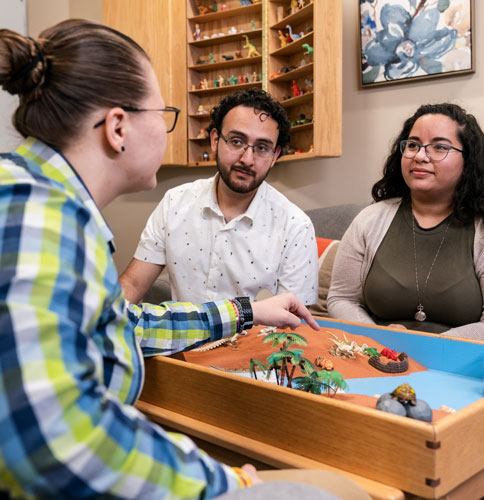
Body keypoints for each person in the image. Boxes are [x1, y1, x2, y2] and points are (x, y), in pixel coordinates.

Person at [0, 20, 324, 499]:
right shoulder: (40, 216)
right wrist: (222, 482)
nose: (168, 130)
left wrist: (246, 311)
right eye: (163, 113)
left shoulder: (42, 200)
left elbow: (120, 321)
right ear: (117, 127)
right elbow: (55, 441)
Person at [119, 89, 318, 306]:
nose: (247, 159)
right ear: (215, 140)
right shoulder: (174, 203)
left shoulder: (296, 227)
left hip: (256, 340)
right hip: (184, 338)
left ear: (274, 156)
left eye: (262, 148)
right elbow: (133, 285)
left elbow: (293, 323)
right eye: (236, 141)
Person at [327, 103, 484, 341]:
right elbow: (341, 298)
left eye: (439, 147)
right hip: (374, 355)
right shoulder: (370, 219)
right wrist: (377, 337)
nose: (420, 156)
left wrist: (427, 345)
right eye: (413, 145)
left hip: (457, 363)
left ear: (468, 160)